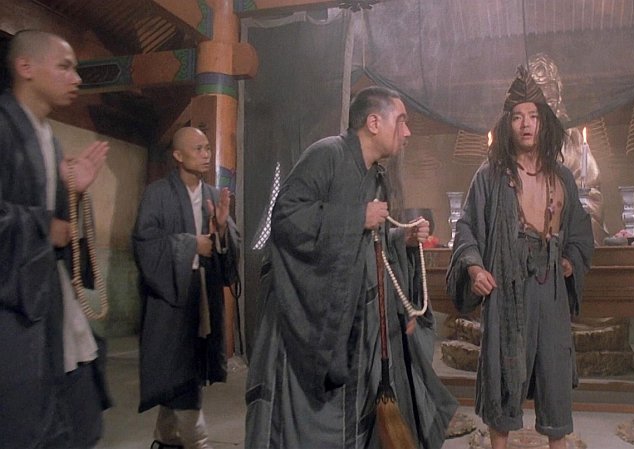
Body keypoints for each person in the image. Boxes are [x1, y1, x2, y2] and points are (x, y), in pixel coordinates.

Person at [245, 86, 457, 449]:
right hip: (313, 321)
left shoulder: (376, 175)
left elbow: (368, 242)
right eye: (401, 121)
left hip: (359, 321)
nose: (407, 132)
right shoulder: (326, 154)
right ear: (374, 123)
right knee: (311, 426)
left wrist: (400, 239)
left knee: (358, 414)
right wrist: (357, 216)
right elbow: (286, 219)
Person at [447, 66, 594, 449]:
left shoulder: (562, 177)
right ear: (507, 124)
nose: (526, 124)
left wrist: (570, 259)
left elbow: (580, 232)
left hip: (550, 291)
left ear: (544, 122)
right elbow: (466, 227)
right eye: (517, 117)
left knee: (555, 374)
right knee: (504, 372)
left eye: (533, 116)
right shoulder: (490, 177)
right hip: (507, 288)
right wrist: (474, 267)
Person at [0, 30, 111, 449]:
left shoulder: (49, 137)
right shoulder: (4, 127)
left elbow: (61, 227)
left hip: (50, 296)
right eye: (64, 66)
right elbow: (44, 225)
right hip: (14, 304)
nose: (76, 78)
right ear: (25, 67)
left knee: (79, 417)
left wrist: (74, 192)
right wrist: (43, 226)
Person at [133, 126, 240, 449]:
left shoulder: (213, 195)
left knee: (186, 367)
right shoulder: (157, 194)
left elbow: (228, 249)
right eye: (198, 149)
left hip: (203, 292)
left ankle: (165, 439)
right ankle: (198, 441)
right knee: (179, 369)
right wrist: (191, 244)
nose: (206, 154)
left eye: (207, 148)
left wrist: (222, 228)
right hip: (170, 296)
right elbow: (144, 243)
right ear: (178, 155)